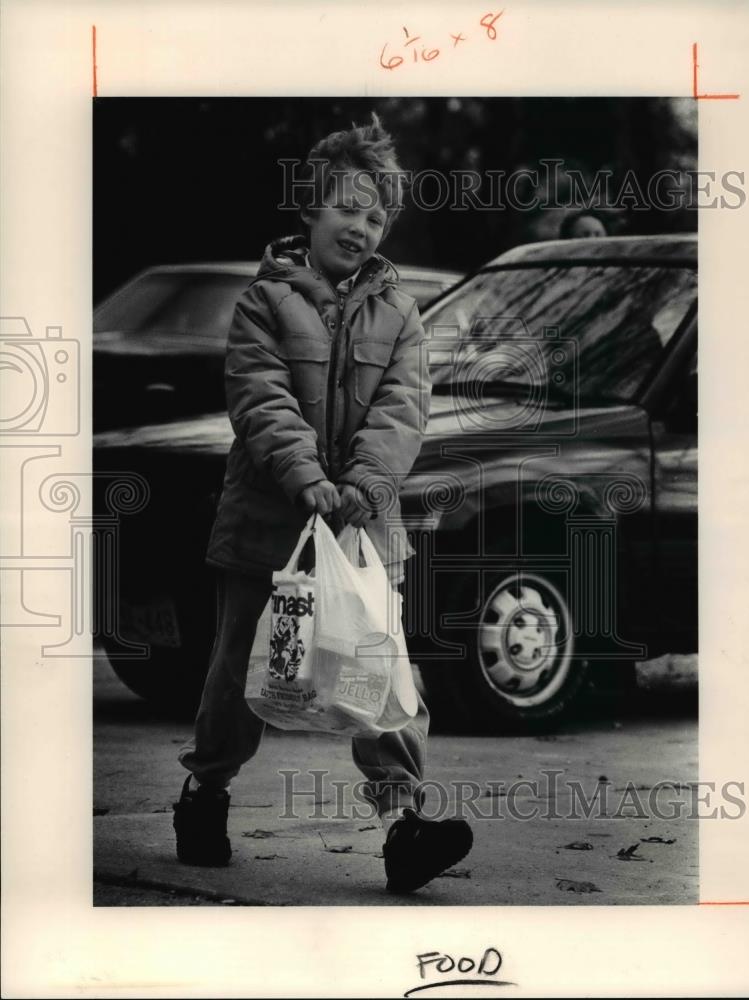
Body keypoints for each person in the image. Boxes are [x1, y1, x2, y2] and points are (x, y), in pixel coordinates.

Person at [172, 113, 473, 894]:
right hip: (270, 527)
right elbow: (261, 398)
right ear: (308, 208)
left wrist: (367, 488)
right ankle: (205, 791)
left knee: (380, 675)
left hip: (363, 529)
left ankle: (404, 823)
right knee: (241, 673)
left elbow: (403, 408)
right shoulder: (262, 302)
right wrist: (306, 479)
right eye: (347, 207)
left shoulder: (401, 312)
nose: (362, 226)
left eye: (377, 216)